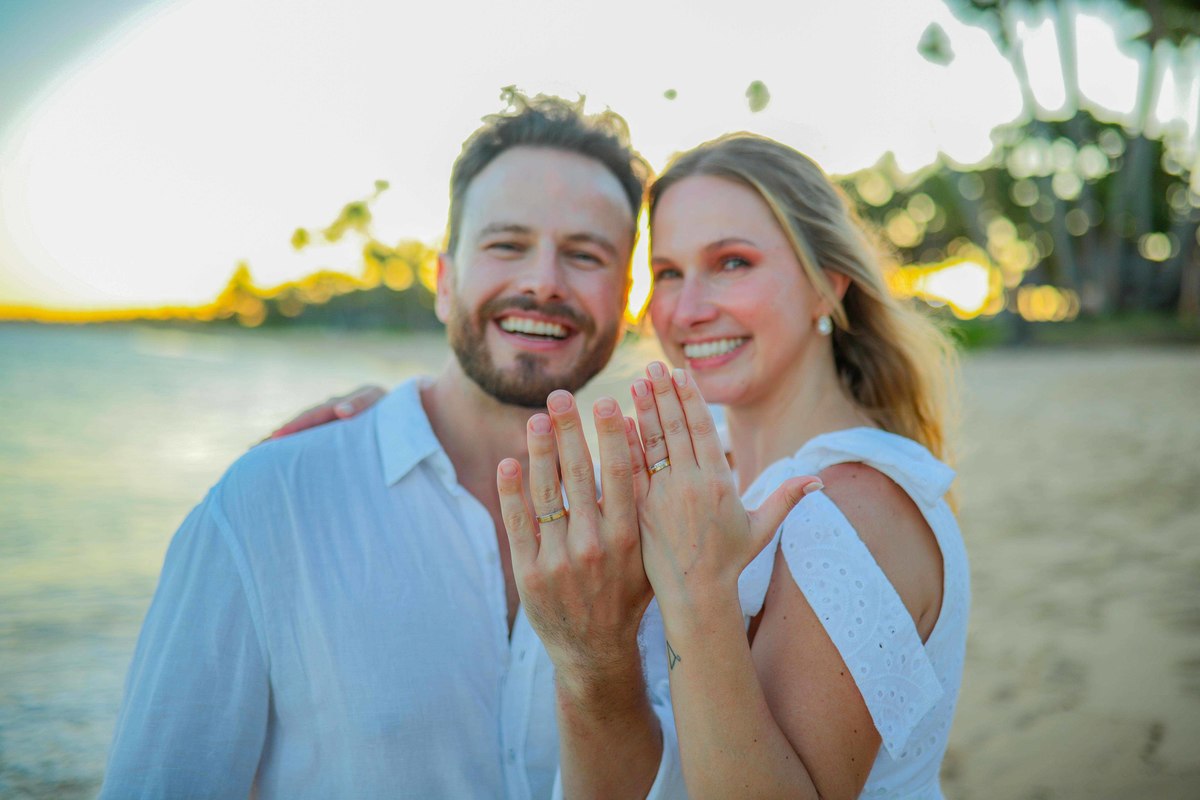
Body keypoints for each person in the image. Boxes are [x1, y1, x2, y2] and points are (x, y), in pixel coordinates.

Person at [282, 133, 968, 797]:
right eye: (668, 273)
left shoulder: (852, 506)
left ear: (828, 284)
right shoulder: (697, 464)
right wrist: (385, 421)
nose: (688, 310)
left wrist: (700, 593)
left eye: (732, 262)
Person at [100, 93, 694, 799]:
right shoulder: (266, 504)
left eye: (585, 255)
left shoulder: (660, 525)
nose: (543, 281)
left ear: (624, 299)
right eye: (506, 244)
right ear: (444, 283)